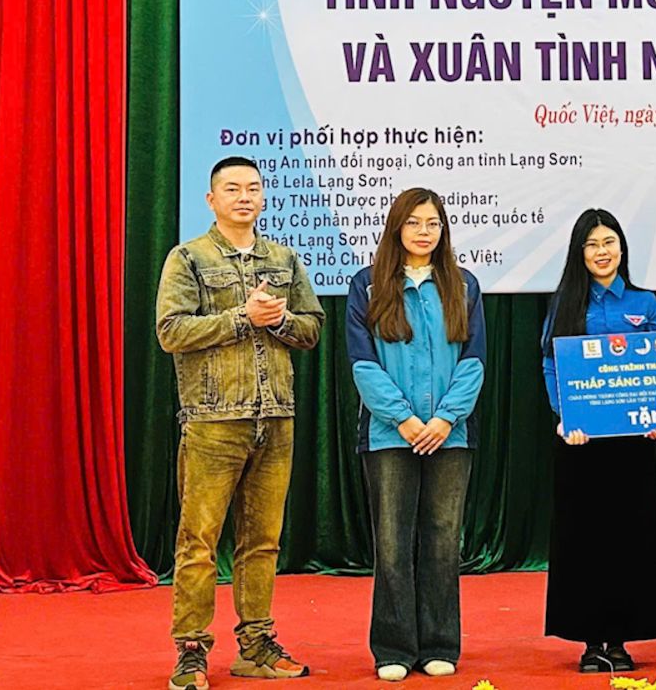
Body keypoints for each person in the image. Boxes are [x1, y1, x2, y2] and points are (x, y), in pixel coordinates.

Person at [156, 155, 325, 689]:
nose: (244, 196)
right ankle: (190, 651)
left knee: (263, 541)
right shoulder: (188, 258)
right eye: (232, 189)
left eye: (253, 187)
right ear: (212, 199)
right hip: (213, 421)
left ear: (264, 197)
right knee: (198, 542)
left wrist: (282, 320)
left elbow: (312, 329)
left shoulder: (284, 258)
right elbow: (170, 331)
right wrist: (241, 318)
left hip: (276, 417)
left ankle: (256, 645)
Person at [345, 188, 486, 682]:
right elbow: (363, 363)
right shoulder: (367, 285)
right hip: (389, 436)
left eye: (433, 223)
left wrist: (445, 418)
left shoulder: (464, 285)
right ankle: (393, 648)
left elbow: (474, 360)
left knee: (443, 540)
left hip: (450, 435)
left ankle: (440, 644)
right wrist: (403, 419)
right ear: (396, 227)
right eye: (414, 222)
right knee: (392, 543)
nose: (424, 232)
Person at [540, 209, 656, 673]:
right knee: (585, 541)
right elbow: (551, 364)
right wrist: (565, 417)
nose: (602, 252)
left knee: (630, 539)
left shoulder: (645, 303)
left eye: (609, 242)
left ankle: (620, 640)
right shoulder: (564, 304)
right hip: (581, 443)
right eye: (592, 244)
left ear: (622, 247)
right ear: (580, 253)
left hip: (634, 444)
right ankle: (591, 642)